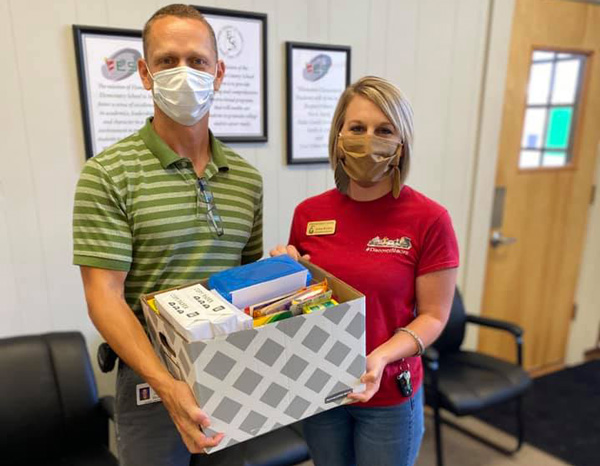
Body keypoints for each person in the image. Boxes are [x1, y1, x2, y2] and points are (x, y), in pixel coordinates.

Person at [72, 4, 263, 465]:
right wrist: (167, 385)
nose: (183, 72)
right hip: (150, 381)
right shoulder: (108, 175)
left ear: (218, 73)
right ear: (145, 73)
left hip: (232, 372)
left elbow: (247, 282)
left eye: (197, 61)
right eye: (167, 61)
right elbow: (103, 297)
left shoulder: (246, 179)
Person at [270, 76, 459, 466]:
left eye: (384, 130)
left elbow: (434, 316)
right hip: (322, 390)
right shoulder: (309, 214)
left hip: (388, 395)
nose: (368, 139)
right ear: (339, 137)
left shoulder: (430, 219)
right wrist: (283, 272)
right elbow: (306, 302)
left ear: (401, 143)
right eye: (357, 128)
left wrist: (381, 358)